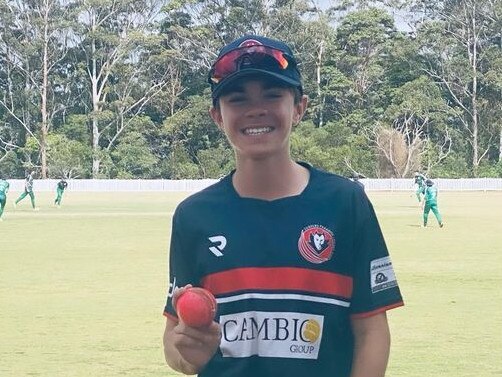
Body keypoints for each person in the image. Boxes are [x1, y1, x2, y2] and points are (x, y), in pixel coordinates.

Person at [162, 35, 404, 377]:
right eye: (237, 98)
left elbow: (372, 330)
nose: (255, 109)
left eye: (273, 95)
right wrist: (186, 354)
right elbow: (173, 343)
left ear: (299, 108)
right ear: (217, 115)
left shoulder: (346, 203)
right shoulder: (193, 216)